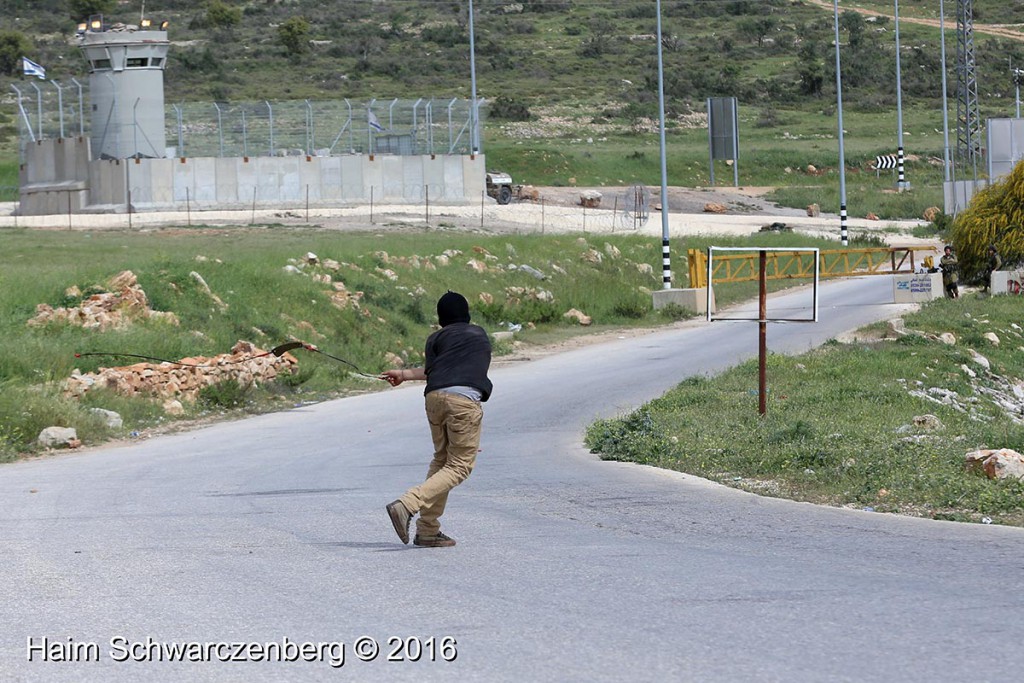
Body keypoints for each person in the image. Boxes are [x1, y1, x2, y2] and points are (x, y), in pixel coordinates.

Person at [381, 291, 493, 548]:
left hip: (434, 398)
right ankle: (408, 504)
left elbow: (435, 370)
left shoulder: (436, 338)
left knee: (442, 461)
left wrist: (402, 374)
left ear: (441, 319)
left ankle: (428, 530)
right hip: (463, 401)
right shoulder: (478, 334)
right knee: (459, 466)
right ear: (467, 315)